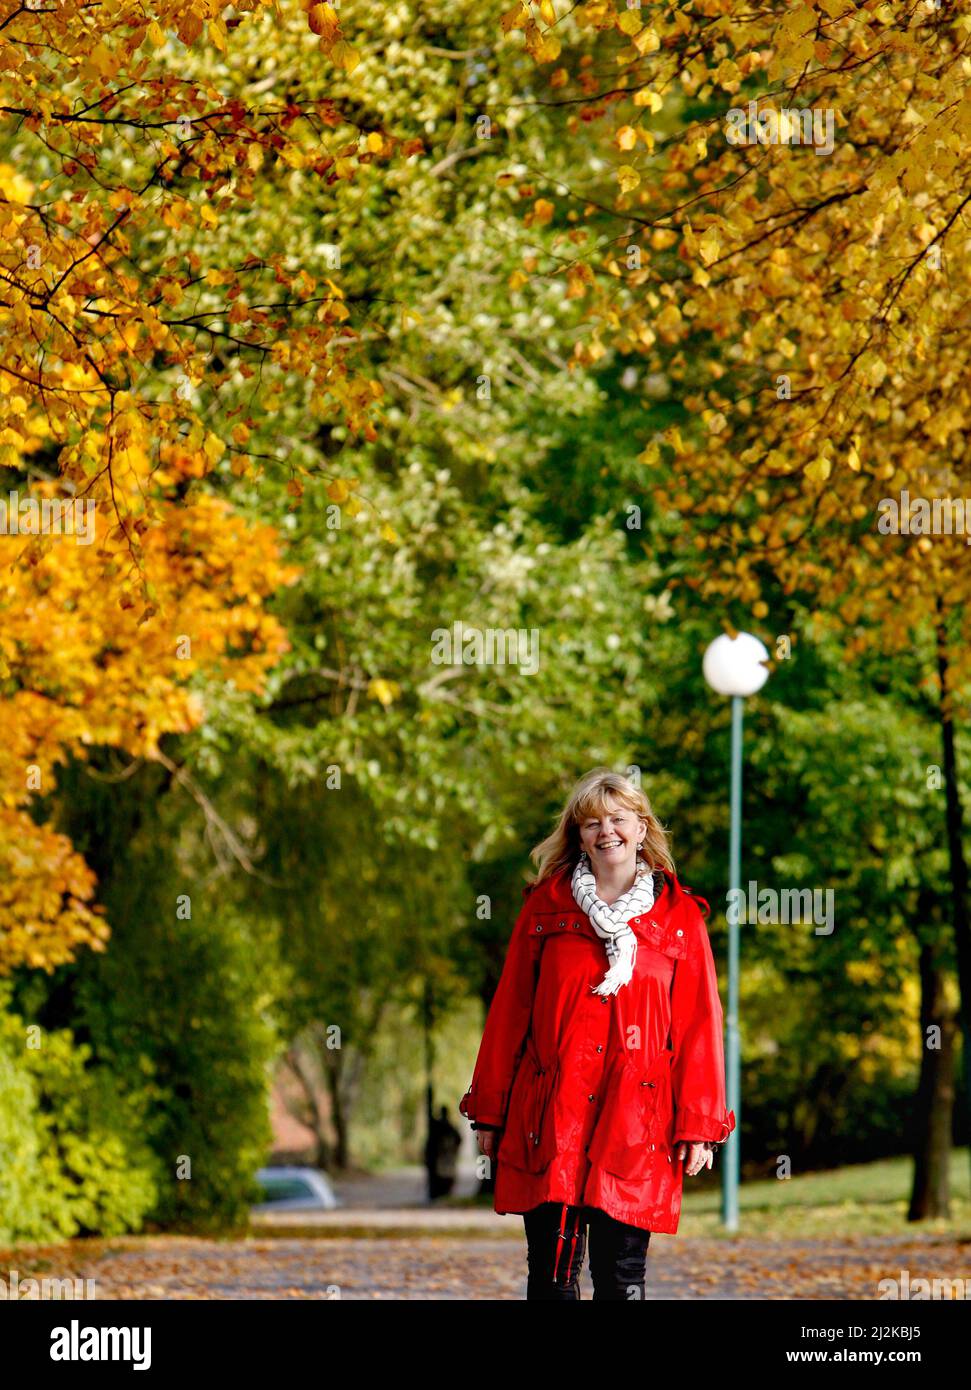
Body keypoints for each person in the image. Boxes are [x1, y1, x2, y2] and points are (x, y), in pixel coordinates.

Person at [459, 767, 735, 1300]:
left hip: (636, 1121)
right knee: (552, 1279)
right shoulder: (545, 908)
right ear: (577, 836)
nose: (605, 831)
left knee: (622, 1280)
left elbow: (701, 1026)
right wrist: (491, 1110)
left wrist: (699, 1124)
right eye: (590, 823)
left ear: (640, 827)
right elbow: (510, 1012)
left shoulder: (679, 919)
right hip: (551, 1114)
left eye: (617, 819)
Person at [425, 1104, 461, 1201]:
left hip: (443, 1156)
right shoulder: (450, 1127)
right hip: (446, 1156)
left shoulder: (440, 1126)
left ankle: (440, 1193)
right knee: (446, 1174)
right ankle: (443, 1193)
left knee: (444, 1174)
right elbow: (458, 1139)